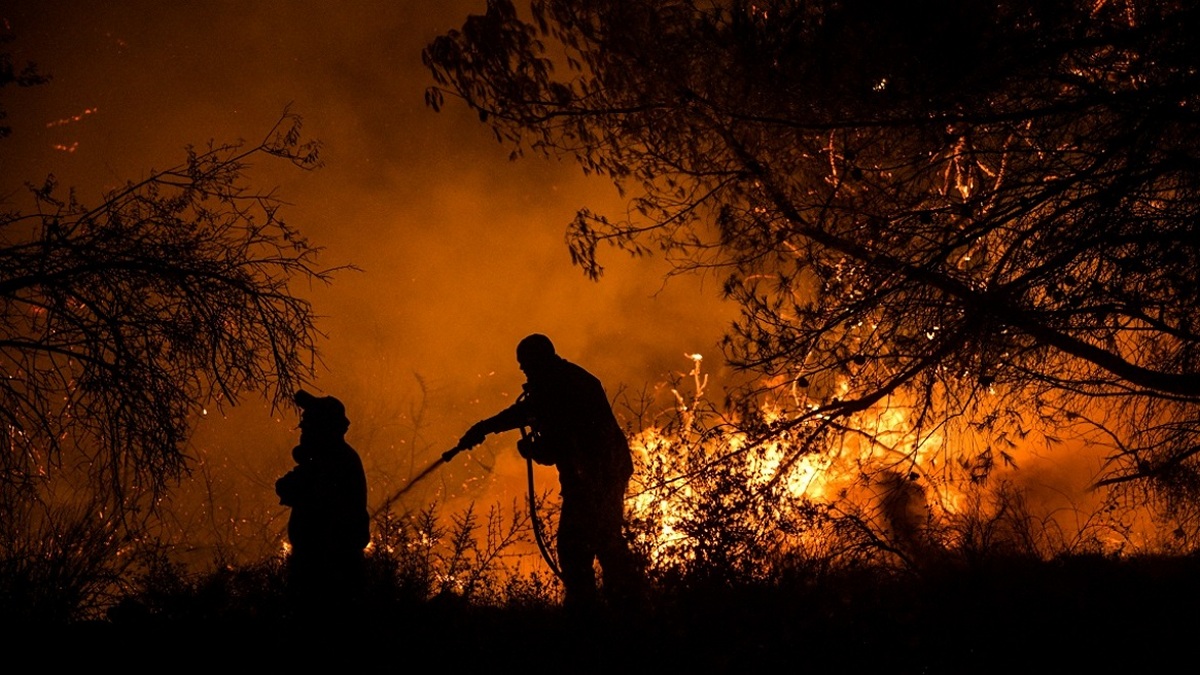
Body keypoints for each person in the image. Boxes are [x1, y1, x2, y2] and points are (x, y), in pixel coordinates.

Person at [457, 333, 640, 612]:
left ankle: (593, 613)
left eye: (526, 365)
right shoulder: (564, 380)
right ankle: (626, 607)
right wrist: (484, 428)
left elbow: (563, 437)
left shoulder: (563, 386)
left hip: (594, 477)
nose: (523, 371)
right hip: (601, 473)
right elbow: (527, 413)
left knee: (577, 549)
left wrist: (532, 449)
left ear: (538, 360)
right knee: (604, 542)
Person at [275, 390, 369, 615]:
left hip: (326, 567)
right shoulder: (332, 457)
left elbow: (291, 488)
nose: (304, 427)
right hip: (324, 563)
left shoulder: (333, 460)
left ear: (324, 427)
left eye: (310, 422)